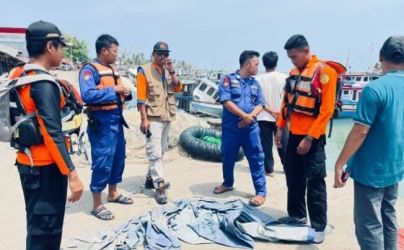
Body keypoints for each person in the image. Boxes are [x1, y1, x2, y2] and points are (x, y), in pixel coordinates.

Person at [8, 20, 83, 250]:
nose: (62, 52)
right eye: (60, 46)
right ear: (50, 47)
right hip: (45, 170)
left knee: (36, 226)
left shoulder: (18, 73)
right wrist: (72, 175)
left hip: (26, 163)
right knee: (46, 234)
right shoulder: (43, 83)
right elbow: (52, 133)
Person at [334, 36, 404, 250]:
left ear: (381, 57)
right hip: (395, 166)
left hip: (371, 170)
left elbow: (359, 132)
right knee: (389, 217)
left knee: (369, 225)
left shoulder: (374, 89)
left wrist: (339, 164)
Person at [275, 34, 338, 243]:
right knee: (293, 177)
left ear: (306, 50)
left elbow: (327, 110)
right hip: (293, 135)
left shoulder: (326, 72)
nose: (292, 61)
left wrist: (309, 138)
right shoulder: (293, 73)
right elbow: (286, 103)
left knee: (315, 182)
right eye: (290, 57)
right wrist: (279, 128)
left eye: (294, 56)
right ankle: (296, 215)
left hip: (313, 138)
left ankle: (318, 227)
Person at [79, 34, 133, 220]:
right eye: (114, 51)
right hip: (101, 123)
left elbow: (118, 94)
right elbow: (87, 95)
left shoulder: (112, 70)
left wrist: (126, 92)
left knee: (118, 159)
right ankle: (96, 204)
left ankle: (113, 193)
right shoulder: (89, 70)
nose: (116, 55)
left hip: (116, 121)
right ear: (104, 51)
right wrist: (113, 90)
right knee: (102, 161)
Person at [213, 50, 267, 207]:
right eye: (256, 64)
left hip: (250, 129)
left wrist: (249, 118)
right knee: (228, 156)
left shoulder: (255, 83)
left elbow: (260, 104)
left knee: (257, 158)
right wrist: (245, 116)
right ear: (248, 64)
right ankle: (228, 183)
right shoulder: (227, 80)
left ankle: (261, 192)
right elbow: (226, 101)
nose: (258, 67)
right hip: (231, 129)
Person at [136, 41, 183, 205]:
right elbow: (141, 98)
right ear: (154, 54)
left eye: (166, 54)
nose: (163, 57)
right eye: (160, 54)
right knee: (154, 152)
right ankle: (159, 186)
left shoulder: (168, 71)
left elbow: (178, 88)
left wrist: (172, 71)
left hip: (166, 116)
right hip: (153, 118)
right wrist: (144, 119)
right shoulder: (144, 70)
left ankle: (150, 178)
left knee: (161, 150)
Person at [256, 51, 288, 175]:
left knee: (266, 145)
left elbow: (258, 100)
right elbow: (288, 98)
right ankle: (287, 168)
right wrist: (279, 112)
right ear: (276, 63)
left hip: (263, 116)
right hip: (281, 117)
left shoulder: (258, 79)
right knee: (283, 144)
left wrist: (270, 111)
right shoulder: (285, 78)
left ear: (264, 64)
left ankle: (268, 169)